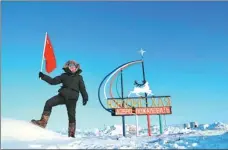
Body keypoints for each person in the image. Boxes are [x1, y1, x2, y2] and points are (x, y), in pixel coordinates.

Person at [31, 60, 88, 138]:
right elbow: (53, 81)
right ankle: (42, 122)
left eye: (74, 67)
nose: (72, 68)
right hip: (62, 96)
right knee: (48, 103)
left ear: (77, 68)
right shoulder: (63, 76)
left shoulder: (79, 77)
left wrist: (85, 97)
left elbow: (82, 88)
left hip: (72, 99)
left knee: (71, 115)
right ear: (68, 67)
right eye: (71, 67)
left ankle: (71, 134)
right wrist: (43, 76)